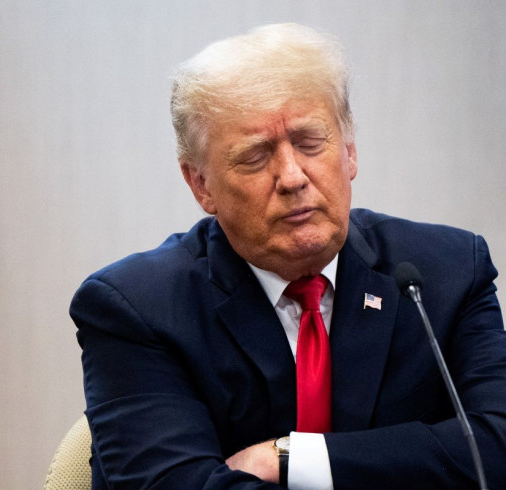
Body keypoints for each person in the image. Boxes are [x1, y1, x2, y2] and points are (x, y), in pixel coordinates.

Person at [70, 23, 506, 489]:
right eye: (256, 156)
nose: (293, 177)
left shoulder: (446, 272)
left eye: (309, 142)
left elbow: (497, 449)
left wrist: (293, 458)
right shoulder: (137, 308)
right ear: (201, 184)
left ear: (350, 150)